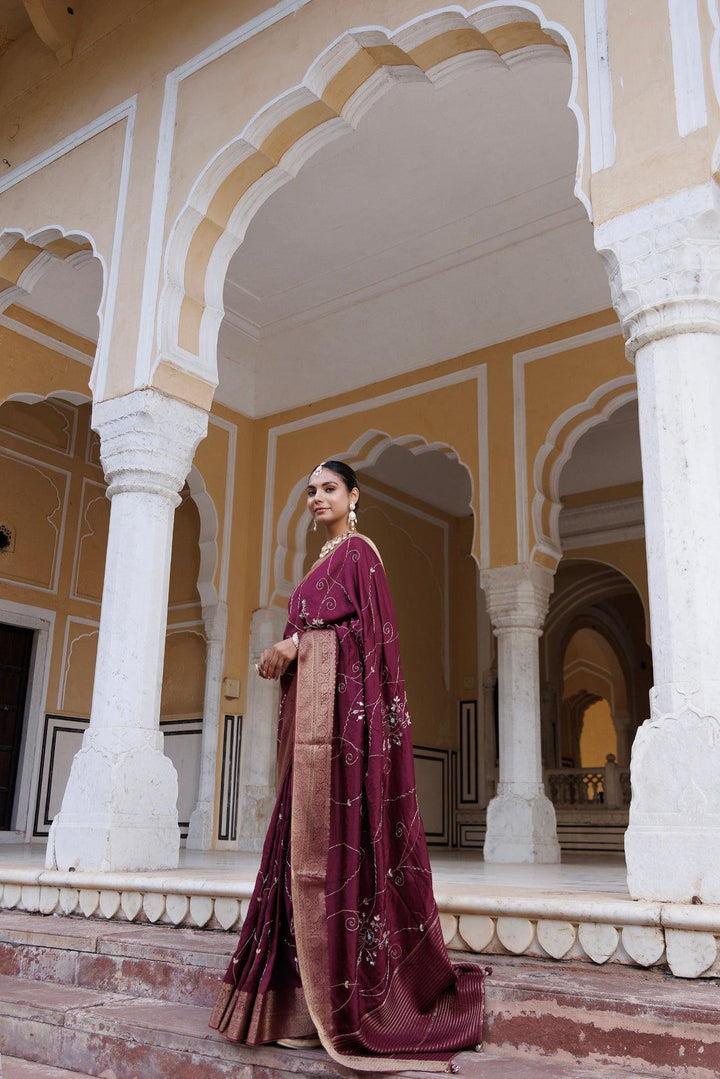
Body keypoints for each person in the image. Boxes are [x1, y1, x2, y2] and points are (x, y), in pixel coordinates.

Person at [209, 460, 488, 1072]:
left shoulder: (361, 555)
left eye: (328, 488)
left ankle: (337, 1010)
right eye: (309, 490)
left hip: (345, 743)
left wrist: (298, 645)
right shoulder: (312, 571)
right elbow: (317, 636)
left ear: (353, 496)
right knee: (296, 863)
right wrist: (285, 653)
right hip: (311, 742)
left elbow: (371, 641)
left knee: (335, 863)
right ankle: (295, 1011)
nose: (317, 498)